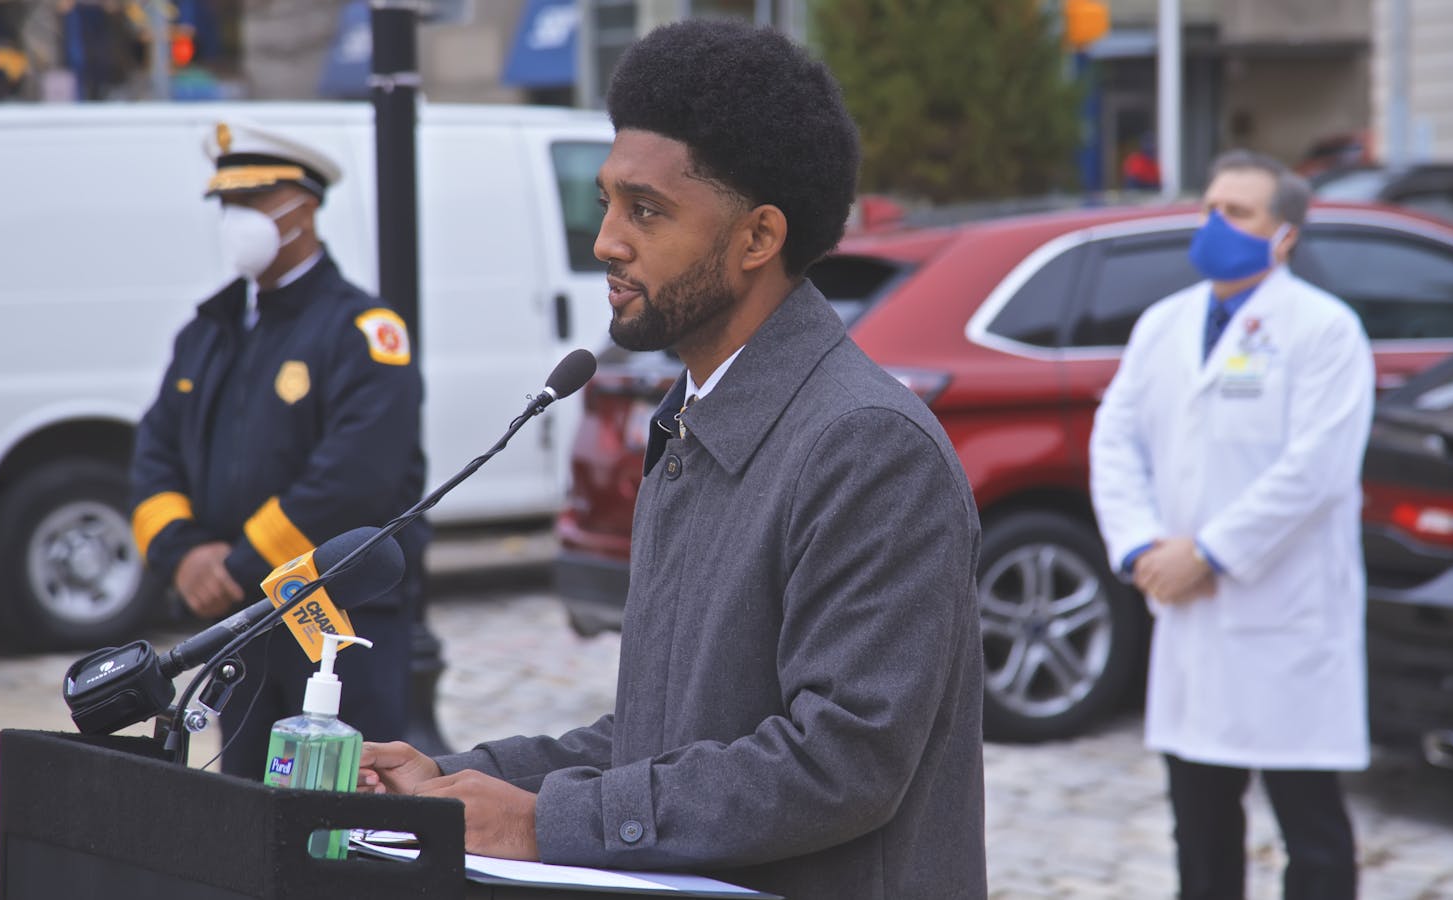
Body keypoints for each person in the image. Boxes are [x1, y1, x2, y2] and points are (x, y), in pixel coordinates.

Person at [357, 19, 986, 899]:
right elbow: (660, 740)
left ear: (758, 238)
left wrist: (541, 824)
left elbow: (840, 766)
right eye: (610, 202)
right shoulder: (692, 416)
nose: (607, 240)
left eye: (646, 210)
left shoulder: (866, 446)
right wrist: (450, 780)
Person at [1089, 149, 1375, 900]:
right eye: (1211, 206)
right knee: (1201, 830)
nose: (1217, 224)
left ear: (1284, 236)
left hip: (1285, 616)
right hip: (1189, 617)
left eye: (1239, 212)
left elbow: (1317, 469)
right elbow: (1115, 438)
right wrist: (1142, 545)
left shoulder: (1326, 331)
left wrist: (1210, 553)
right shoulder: (1162, 326)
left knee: (1310, 831)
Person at [130, 121, 428, 779]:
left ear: (304, 208)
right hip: (248, 626)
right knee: (244, 809)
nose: (237, 220)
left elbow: (356, 479)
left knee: (346, 816)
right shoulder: (210, 330)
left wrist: (236, 565)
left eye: (255, 202)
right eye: (228, 205)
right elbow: (154, 449)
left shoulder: (362, 330)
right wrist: (183, 555)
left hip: (336, 626)